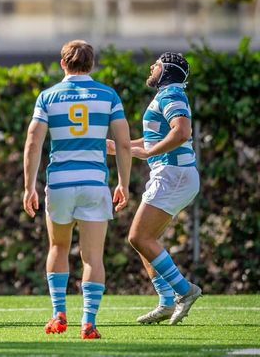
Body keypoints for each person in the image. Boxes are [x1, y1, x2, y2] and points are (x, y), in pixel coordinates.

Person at [22, 40, 132, 340]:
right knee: (93, 257)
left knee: (58, 247)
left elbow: (34, 142)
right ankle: (88, 321)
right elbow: (123, 143)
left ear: (63, 64)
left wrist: (29, 187)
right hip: (95, 183)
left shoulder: (48, 96)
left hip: (59, 182)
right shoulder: (108, 95)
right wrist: (123, 183)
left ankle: (59, 313)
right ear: (91, 64)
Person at [119, 52, 202, 324]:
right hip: (172, 174)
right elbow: (155, 137)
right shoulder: (167, 94)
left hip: (173, 174)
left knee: (139, 237)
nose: (151, 67)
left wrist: (150, 151)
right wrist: (121, 147)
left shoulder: (171, 95)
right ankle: (166, 301)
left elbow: (182, 132)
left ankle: (184, 291)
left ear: (166, 70)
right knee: (146, 241)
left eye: (156, 64)